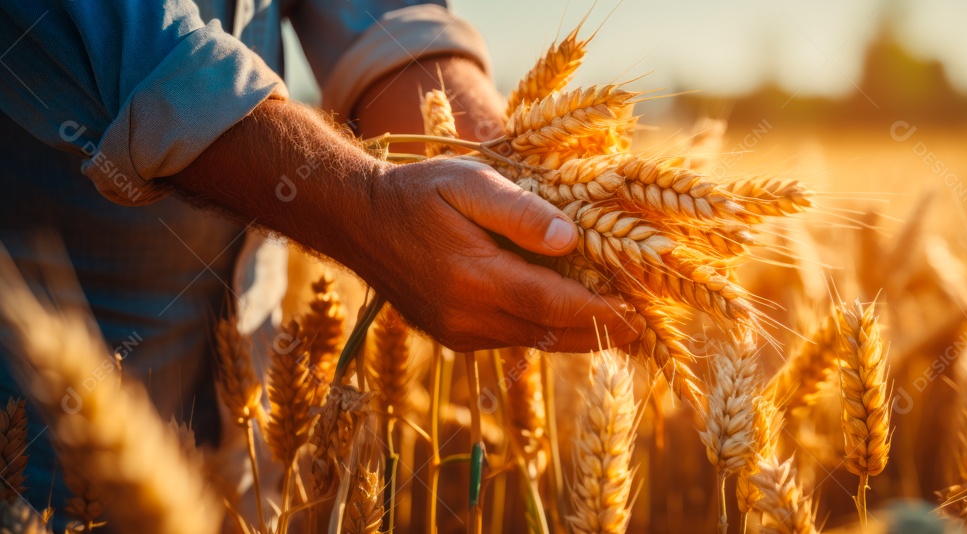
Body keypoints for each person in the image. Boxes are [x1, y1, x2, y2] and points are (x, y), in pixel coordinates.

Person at [0, 0, 637, 528]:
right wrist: (362, 205)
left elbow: (381, 18)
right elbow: (120, 38)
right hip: (44, 461)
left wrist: (502, 169)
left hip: (252, 458)